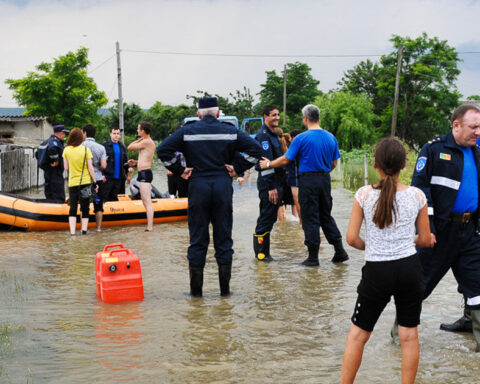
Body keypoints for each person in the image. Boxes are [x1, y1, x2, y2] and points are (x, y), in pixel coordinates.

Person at [340, 137, 431, 384]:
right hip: (409, 270)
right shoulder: (417, 196)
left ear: (376, 164)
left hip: (376, 272)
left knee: (358, 335)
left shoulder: (363, 195)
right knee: (409, 336)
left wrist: (373, 246)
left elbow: (350, 239)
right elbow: (424, 240)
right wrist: (416, 239)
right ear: (404, 164)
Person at [156, 97, 263, 297]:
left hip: (198, 186)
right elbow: (256, 150)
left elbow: (162, 150)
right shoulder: (230, 131)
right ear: (218, 113)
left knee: (197, 239)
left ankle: (196, 296)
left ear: (198, 114)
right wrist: (237, 167)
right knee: (224, 238)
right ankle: (225, 294)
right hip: (222, 185)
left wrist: (179, 170)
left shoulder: (187, 132)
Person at [407, 104, 480, 352]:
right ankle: (402, 340)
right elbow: (419, 190)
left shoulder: (477, 151)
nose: (478, 132)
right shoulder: (434, 149)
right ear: (456, 125)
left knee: (477, 285)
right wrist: (425, 230)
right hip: (438, 232)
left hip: (469, 231)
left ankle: (473, 330)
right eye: (474, 127)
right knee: (418, 285)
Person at [259, 104, 349, 266]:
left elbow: (286, 159)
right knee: (326, 215)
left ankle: (313, 258)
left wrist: (268, 164)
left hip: (308, 181)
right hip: (325, 180)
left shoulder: (302, 138)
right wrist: (323, 172)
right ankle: (340, 251)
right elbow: (334, 163)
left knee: (309, 217)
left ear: (305, 118)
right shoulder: (331, 137)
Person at [253, 105, 285, 262]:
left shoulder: (273, 135)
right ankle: (261, 253)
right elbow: (264, 164)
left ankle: (265, 252)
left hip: (277, 182)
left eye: (278, 114)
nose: (277, 118)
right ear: (265, 116)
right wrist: (271, 187)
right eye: (273, 115)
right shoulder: (264, 136)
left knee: (270, 217)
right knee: (266, 217)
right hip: (269, 184)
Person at [62, 128, 97, 235]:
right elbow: (91, 168)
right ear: (81, 137)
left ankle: (72, 232)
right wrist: (94, 182)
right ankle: (84, 231)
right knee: (85, 208)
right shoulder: (86, 150)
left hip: (72, 183)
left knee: (73, 208)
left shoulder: (66, 150)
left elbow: (66, 168)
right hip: (85, 183)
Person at [127, 121, 156, 232]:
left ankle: (150, 227)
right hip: (143, 171)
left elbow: (130, 147)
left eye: (138, 129)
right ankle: (149, 225)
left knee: (147, 200)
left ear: (143, 131)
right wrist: (136, 162)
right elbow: (146, 158)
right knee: (144, 200)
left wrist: (141, 139)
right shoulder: (146, 142)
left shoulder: (146, 141)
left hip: (145, 173)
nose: (137, 130)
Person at [82, 124, 107, 232]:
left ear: (85, 133)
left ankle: (84, 229)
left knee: (84, 205)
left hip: (84, 180)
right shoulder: (101, 147)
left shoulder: (80, 146)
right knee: (98, 204)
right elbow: (104, 166)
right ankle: (98, 229)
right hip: (97, 180)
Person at [37, 124, 69, 203]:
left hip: (47, 172)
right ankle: (59, 212)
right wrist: (56, 160)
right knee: (58, 195)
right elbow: (52, 149)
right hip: (55, 172)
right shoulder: (55, 142)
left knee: (49, 194)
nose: (64, 135)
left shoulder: (45, 142)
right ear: (58, 133)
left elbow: (37, 154)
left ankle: (51, 208)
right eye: (63, 133)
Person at [102, 127, 131, 202]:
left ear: (120, 135)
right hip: (108, 178)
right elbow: (99, 162)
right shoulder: (104, 146)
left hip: (120, 179)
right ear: (110, 134)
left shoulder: (122, 146)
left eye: (118, 134)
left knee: (118, 199)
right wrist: (101, 175)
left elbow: (125, 162)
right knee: (105, 199)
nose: (116, 135)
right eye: (114, 133)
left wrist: (128, 175)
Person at [287, 129, 302, 224]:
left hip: (295, 178)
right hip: (305, 178)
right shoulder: (304, 146)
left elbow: (285, 160)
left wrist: (269, 164)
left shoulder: (294, 147)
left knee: (297, 201)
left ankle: (302, 222)